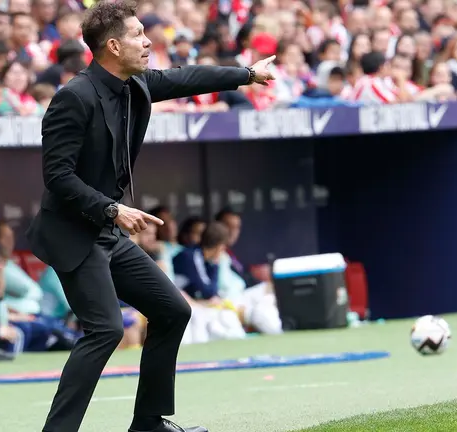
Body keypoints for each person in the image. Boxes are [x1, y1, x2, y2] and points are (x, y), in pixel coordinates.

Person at [25, 2, 275, 431]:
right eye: (139, 34)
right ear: (113, 45)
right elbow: (57, 177)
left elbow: (183, 79)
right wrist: (111, 208)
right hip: (72, 232)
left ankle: (148, 425)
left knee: (172, 311)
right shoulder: (73, 97)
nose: (148, 42)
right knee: (105, 330)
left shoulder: (134, 84)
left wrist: (246, 74)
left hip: (105, 230)